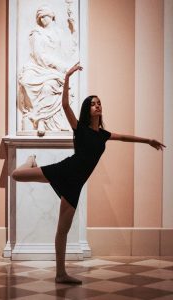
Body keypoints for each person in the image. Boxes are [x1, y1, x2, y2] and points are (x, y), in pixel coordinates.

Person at [12, 62, 166, 284]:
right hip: (64, 170)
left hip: (75, 184)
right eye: (93, 104)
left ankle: (60, 274)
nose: (97, 106)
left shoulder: (103, 134)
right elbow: (65, 106)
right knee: (17, 175)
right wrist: (66, 77)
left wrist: (148, 140)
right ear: (88, 109)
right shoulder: (80, 128)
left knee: (62, 230)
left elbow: (124, 137)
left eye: (99, 103)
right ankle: (31, 160)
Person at [18, 5, 77, 136]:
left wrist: (73, 28)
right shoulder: (36, 34)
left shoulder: (59, 33)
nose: (42, 19)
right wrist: (58, 66)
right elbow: (39, 56)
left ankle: (44, 120)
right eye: (40, 17)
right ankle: (40, 120)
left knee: (49, 86)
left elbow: (68, 50)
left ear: (51, 17)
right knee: (32, 82)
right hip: (38, 67)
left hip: (53, 70)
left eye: (45, 16)